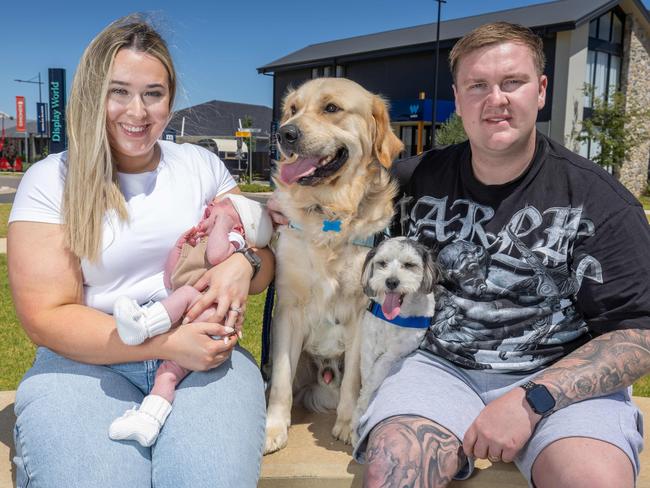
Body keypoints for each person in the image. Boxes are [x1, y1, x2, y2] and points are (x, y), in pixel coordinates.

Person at [351, 22, 649, 488]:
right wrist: (240, 214)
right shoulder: (414, 179)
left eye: (513, 82)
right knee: (394, 470)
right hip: (440, 367)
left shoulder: (601, 201)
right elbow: (320, 198)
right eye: (478, 85)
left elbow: (639, 332)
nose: (496, 99)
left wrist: (534, 399)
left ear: (542, 90)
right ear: (458, 96)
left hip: (560, 378)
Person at [8, 14, 274, 488]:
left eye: (154, 93)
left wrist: (243, 262)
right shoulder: (52, 179)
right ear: (93, 94)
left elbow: (259, 257)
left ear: (169, 99)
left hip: (204, 360)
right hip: (83, 363)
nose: (138, 111)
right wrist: (167, 344)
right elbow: (45, 315)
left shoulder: (202, 166)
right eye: (119, 92)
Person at [109, 193, 272, 447]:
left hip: (211, 320)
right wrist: (180, 247)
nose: (209, 208)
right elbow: (172, 276)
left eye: (219, 208)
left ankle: (143, 325)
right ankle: (148, 419)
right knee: (168, 374)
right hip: (192, 321)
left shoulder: (234, 240)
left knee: (185, 295)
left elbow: (217, 255)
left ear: (239, 224)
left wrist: (223, 224)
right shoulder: (206, 240)